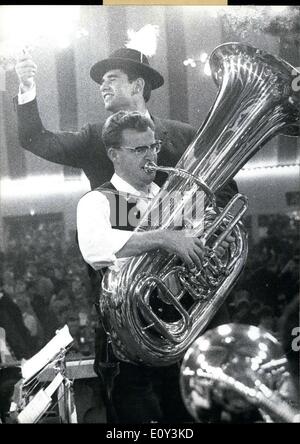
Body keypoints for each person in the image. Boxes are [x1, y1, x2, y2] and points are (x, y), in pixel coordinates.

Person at [77, 110, 234, 423]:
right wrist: (164, 238)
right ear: (114, 155)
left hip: (174, 341)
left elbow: (193, 249)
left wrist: (216, 243)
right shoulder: (99, 200)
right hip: (128, 352)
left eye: (153, 147)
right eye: (139, 150)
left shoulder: (168, 198)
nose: (150, 156)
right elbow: (95, 247)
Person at [14, 46, 237, 199]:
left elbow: (224, 186)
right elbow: (35, 139)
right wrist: (26, 87)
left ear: (137, 86)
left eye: (112, 79)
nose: (103, 86)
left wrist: (214, 228)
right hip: (120, 265)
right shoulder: (92, 137)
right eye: (102, 82)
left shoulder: (185, 135)